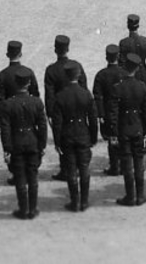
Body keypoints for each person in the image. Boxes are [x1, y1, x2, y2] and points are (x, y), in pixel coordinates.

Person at [0, 66, 47, 219]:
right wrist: (42, 145)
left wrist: (7, 148)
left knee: (19, 177)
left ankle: (23, 209)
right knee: (33, 177)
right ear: (28, 84)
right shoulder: (36, 102)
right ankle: (32, 209)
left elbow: (5, 129)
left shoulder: (8, 104)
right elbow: (43, 126)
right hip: (33, 141)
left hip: (16, 143)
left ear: (16, 83)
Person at [50, 64, 98, 212]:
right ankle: (84, 201)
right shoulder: (86, 94)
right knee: (84, 168)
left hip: (67, 136)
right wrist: (93, 137)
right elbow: (93, 119)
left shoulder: (60, 96)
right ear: (79, 76)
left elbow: (57, 123)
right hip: (83, 134)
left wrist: (57, 142)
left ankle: (75, 202)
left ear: (66, 76)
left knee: (71, 170)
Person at [109, 53, 146, 206]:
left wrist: (113, 133)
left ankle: (130, 196)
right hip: (138, 128)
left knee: (127, 163)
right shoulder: (142, 87)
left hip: (123, 129)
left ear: (124, 67)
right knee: (139, 163)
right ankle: (140, 195)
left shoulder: (117, 88)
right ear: (137, 68)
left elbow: (113, 113)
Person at [43, 35, 88, 181]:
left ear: (55, 50)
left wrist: (50, 113)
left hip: (60, 108)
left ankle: (65, 170)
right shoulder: (77, 66)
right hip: (78, 106)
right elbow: (84, 88)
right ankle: (79, 168)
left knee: (62, 138)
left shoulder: (51, 70)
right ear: (68, 49)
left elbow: (49, 94)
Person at [92, 45, 124, 176]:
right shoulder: (124, 73)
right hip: (124, 111)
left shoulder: (101, 75)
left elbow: (97, 96)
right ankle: (124, 165)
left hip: (109, 112)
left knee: (112, 139)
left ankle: (114, 166)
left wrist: (100, 114)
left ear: (106, 57)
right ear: (119, 56)